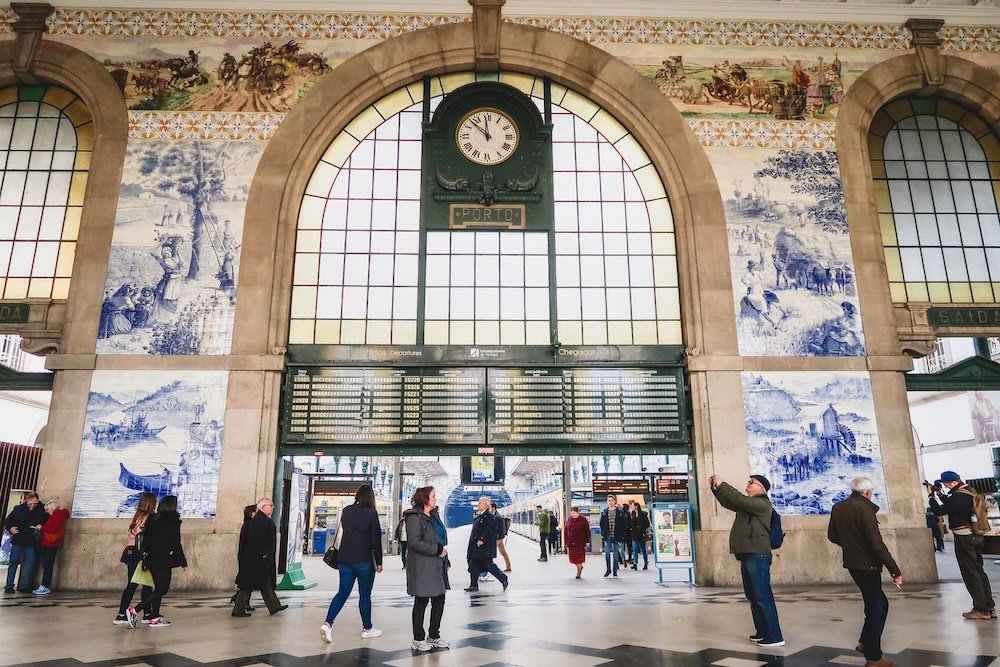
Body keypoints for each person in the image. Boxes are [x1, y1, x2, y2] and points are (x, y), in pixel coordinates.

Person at [828, 477, 902, 667]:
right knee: (876, 608)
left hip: (853, 563)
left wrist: (852, 546)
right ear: (868, 492)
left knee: (878, 604)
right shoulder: (865, 508)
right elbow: (876, 544)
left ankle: (864, 642)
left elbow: (832, 535)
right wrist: (894, 570)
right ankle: (873, 657)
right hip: (868, 564)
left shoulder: (839, 507)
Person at [709, 474, 785, 647]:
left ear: (761, 488)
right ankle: (762, 632)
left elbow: (739, 499)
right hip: (748, 553)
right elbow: (729, 502)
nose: (748, 483)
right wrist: (716, 488)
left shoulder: (762, 503)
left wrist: (723, 484)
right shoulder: (749, 506)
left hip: (758, 554)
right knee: (753, 595)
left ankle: (774, 636)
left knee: (762, 595)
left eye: (752, 482)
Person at [319, 485, 383, 642]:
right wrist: (379, 561)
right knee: (365, 595)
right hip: (364, 560)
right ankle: (367, 628)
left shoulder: (347, 511)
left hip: (345, 559)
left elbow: (343, 532)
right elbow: (375, 539)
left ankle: (328, 623)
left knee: (342, 593)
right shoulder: (371, 513)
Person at [929, 471, 995, 620]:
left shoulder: (958, 496)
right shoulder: (969, 492)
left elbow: (940, 510)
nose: (944, 486)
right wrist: (940, 494)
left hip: (965, 538)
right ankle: (989, 607)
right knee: (979, 572)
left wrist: (931, 497)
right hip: (975, 536)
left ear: (952, 483)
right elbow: (952, 504)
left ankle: (981, 609)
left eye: (945, 483)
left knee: (971, 573)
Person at [128, 495, 188, 628]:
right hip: (163, 559)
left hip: (151, 559)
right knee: (162, 589)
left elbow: (147, 539)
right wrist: (183, 562)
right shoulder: (173, 521)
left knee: (158, 589)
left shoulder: (152, 518)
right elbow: (175, 543)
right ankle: (135, 610)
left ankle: (154, 616)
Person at [404, 486, 450, 653]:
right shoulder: (414, 517)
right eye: (433, 496)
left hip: (437, 565)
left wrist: (444, 555)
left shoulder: (434, 515)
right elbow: (414, 542)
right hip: (422, 566)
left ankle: (433, 635)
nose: (435, 499)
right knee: (422, 601)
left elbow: (439, 538)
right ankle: (418, 638)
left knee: (439, 600)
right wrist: (437, 550)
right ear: (425, 498)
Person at [232, 498, 288, 619]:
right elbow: (256, 540)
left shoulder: (263, 520)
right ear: (263, 507)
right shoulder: (258, 521)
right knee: (247, 586)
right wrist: (264, 553)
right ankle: (238, 609)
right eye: (270, 505)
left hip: (261, 559)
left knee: (265, 583)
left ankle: (274, 606)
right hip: (256, 560)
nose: (273, 507)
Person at [115, 492, 156, 624]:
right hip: (139, 553)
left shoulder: (138, 516)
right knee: (136, 584)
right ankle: (122, 614)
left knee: (143, 584)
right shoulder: (149, 518)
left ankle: (146, 613)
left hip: (130, 552)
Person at [3, 491, 48, 594]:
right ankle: (9, 586)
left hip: (31, 540)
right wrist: (10, 529)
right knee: (13, 563)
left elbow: (45, 519)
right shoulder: (19, 509)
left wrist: (40, 526)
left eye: (35, 503)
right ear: (27, 500)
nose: (32, 505)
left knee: (31, 562)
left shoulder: (41, 508)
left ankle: (24, 585)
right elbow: (8, 521)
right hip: (18, 539)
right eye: (30, 503)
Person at [465, 496, 509, 592]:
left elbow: (488, 530)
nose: (478, 504)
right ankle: (473, 585)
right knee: (473, 565)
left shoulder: (488, 516)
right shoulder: (481, 515)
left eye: (480, 503)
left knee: (488, 565)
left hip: (483, 547)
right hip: (477, 546)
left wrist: (482, 539)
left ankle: (503, 578)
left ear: (485, 504)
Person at [33, 498, 69, 596]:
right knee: (47, 565)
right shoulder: (60, 515)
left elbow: (53, 528)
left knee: (47, 565)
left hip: (51, 543)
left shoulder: (58, 515)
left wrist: (42, 528)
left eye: (48, 510)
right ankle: (45, 586)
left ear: (52, 508)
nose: (48, 513)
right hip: (51, 543)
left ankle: (45, 586)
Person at [230, 504, 257, 612]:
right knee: (247, 581)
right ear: (252, 513)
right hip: (247, 556)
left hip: (245, 555)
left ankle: (243, 601)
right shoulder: (250, 525)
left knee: (247, 581)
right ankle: (241, 601)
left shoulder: (247, 524)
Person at [599, 495, 627, 578]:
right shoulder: (604, 512)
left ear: (615, 501)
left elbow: (624, 524)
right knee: (607, 553)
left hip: (617, 536)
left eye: (612, 500)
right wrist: (603, 533)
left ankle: (615, 571)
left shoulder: (620, 512)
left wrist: (622, 535)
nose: (610, 502)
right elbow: (601, 523)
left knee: (615, 554)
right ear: (607, 502)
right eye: (609, 500)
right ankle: (608, 569)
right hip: (607, 536)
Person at [565, 506, 591, 579]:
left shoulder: (583, 519)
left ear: (578, 512)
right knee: (572, 560)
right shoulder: (569, 519)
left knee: (579, 560)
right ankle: (580, 567)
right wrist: (566, 541)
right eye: (572, 513)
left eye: (574, 513)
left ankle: (578, 573)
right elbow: (566, 530)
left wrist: (587, 542)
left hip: (580, 543)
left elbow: (587, 531)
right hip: (571, 543)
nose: (573, 515)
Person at [490, 503, 512, 572]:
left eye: (490, 508)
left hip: (497, 538)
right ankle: (508, 566)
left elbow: (495, 529)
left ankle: (488, 569)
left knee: (490, 553)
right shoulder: (497, 515)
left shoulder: (496, 517)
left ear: (493, 508)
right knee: (503, 552)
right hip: (500, 537)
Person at [631, 501, 650, 570]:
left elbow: (647, 524)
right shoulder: (632, 514)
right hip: (634, 534)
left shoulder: (643, 514)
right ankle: (635, 563)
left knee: (643, 550)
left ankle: (645, 563)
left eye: (632, 506)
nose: (631, 507)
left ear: (636, 506)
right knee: (635, 549)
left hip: (642, 534)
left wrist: (643, 529)